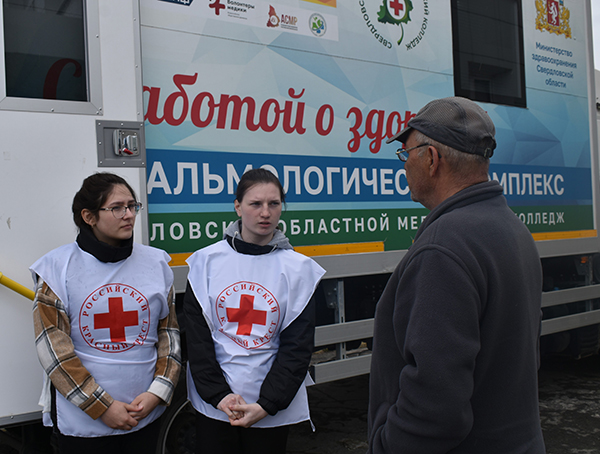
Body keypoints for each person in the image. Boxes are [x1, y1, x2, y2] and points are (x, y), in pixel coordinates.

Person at [367, 97, 546, 453]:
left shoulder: (443, 247)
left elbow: (434, 407)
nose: (405, 166)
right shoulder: (511, 228)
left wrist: (386, 446)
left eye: (406, 154)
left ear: (431, 160)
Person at [31, 172, 181, 453]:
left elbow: (169, 337)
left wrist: (157, 393)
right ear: (89, 216)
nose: (129, 215)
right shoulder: (56, 270)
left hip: (145, 415)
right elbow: (54, 352)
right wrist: (102, 407)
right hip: (83, 426)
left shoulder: (156, 263)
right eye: (117, 208)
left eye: (132, 206)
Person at [184, 168, 326, 454]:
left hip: (269, 409)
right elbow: (198, 341)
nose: (265, 213)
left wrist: (267, 403)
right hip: (216, 407)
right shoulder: (205, 263)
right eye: (255, 204)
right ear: (238, 207)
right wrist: (219, 395)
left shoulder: (299, 269)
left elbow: (297, 348)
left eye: (274, 204)